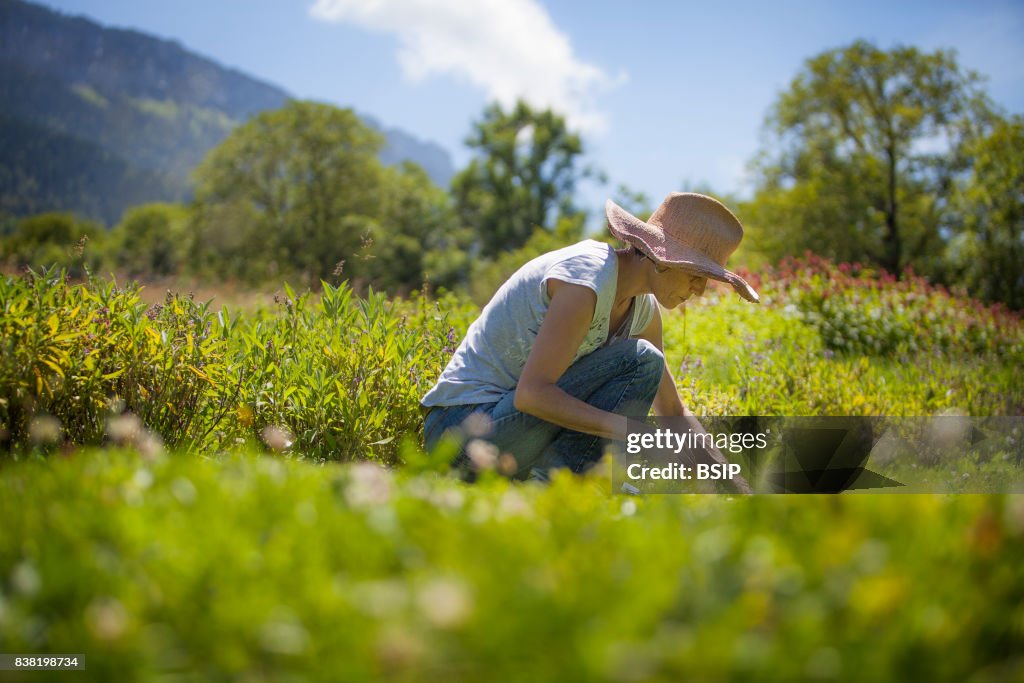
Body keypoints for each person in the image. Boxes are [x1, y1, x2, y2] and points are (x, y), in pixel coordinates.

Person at [421, 192, 759, 487]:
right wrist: (629, 430)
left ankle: (557, 485)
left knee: (644, 363)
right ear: (661, 259)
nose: (700, 290)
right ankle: (556, 482)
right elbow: (531, 395)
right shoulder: (585, 281)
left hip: (511, 439)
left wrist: (732, 481)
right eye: (697, 275)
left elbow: (672, 409)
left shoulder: (643, 310)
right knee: (642, 359)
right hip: (460, 434)